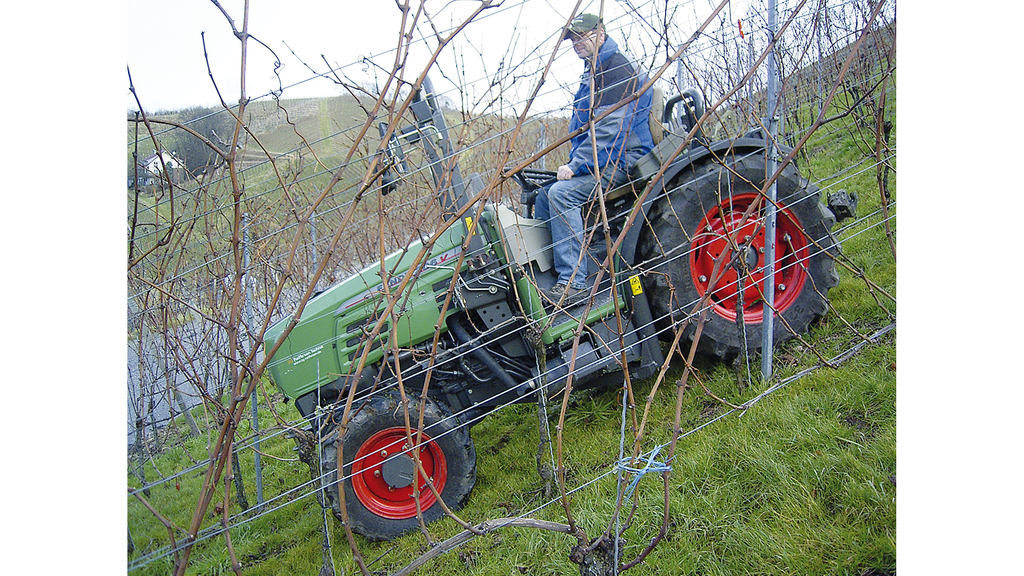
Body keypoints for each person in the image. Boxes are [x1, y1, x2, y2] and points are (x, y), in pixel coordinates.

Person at [534, 13, 655, 306]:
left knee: (562, 195)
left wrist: (576, 166)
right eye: (573, 39)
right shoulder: (594, 72)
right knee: (541, 196)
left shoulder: (616, 70)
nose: (576, 43)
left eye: (582, 36)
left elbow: (608, 132)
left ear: (600, 33)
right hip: (605, 159)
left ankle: (573, 283)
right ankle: (547, 277)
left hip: (625, 161)